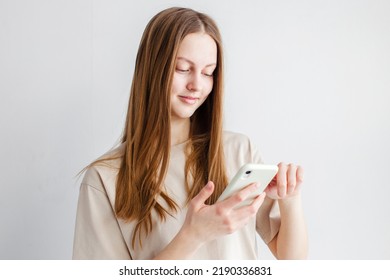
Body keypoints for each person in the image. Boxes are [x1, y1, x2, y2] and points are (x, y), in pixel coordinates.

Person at [72, 7, 307, 260]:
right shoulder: (106, 179)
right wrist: (193, 236)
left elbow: (292, 260)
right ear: (153, 68)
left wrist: (290, 199)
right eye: (183, 69)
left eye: (208, 72)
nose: (197, 84)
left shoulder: (238, 150)